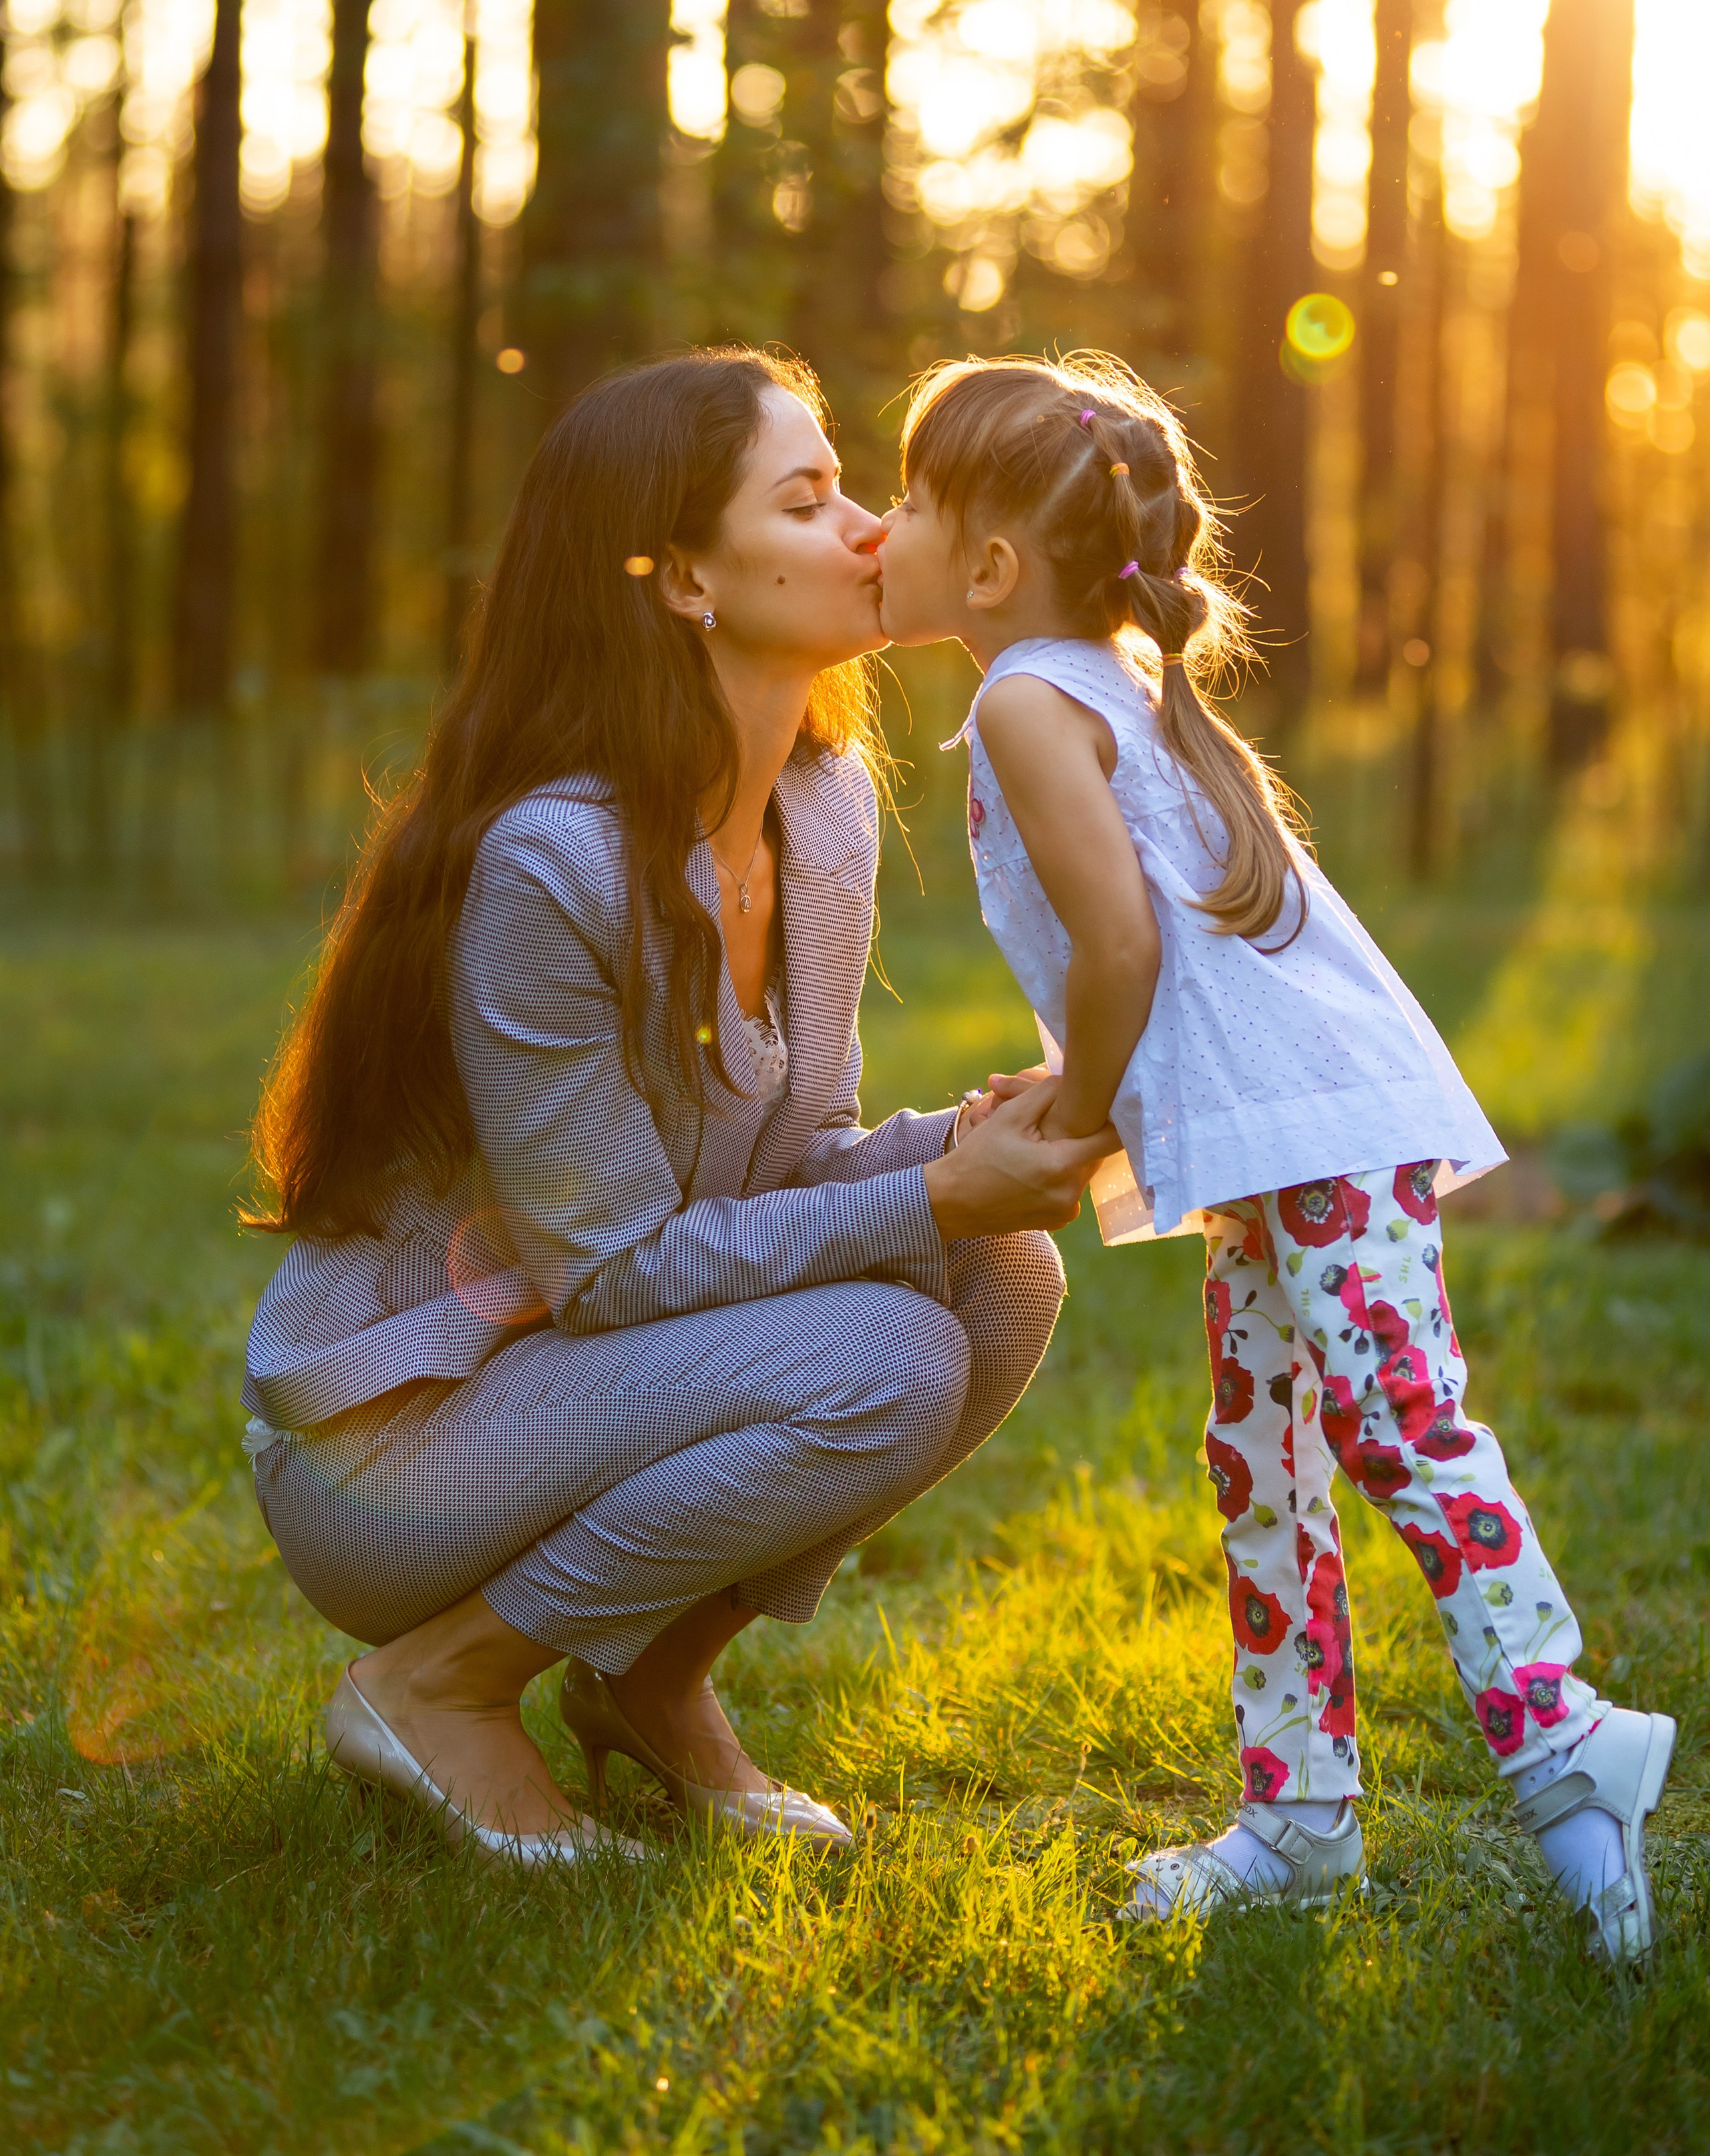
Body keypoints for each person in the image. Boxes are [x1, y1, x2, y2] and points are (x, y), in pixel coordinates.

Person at [242, 347, 1114, 1868]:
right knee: (888, 1352)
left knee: (1000, 1276)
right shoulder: (548, 862)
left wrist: (960, 1153)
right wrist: (922, 1199)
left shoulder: (823, 811)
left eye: (851, 487)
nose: (864, 529)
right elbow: (618, 1272)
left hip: (585, 1375)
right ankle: (438, 1684)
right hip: (397, 1454)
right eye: (810, 496)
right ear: (684, 583)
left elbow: (792, 1167)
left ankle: (650, 1673)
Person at [874, 348, 1674, 1964]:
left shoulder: (1028, 696)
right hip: (1281, 1135)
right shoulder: (1097, 681)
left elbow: (1120, 951)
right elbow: (1157, 947)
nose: (875, 527)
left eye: (901, 497)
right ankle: (1297, 1817)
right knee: (1265, 1457)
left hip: (1322, 1126)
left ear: (986, 566)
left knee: (1391, 1417)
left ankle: (1558, 1725)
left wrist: (1077, 1108)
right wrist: (1066, 1079)